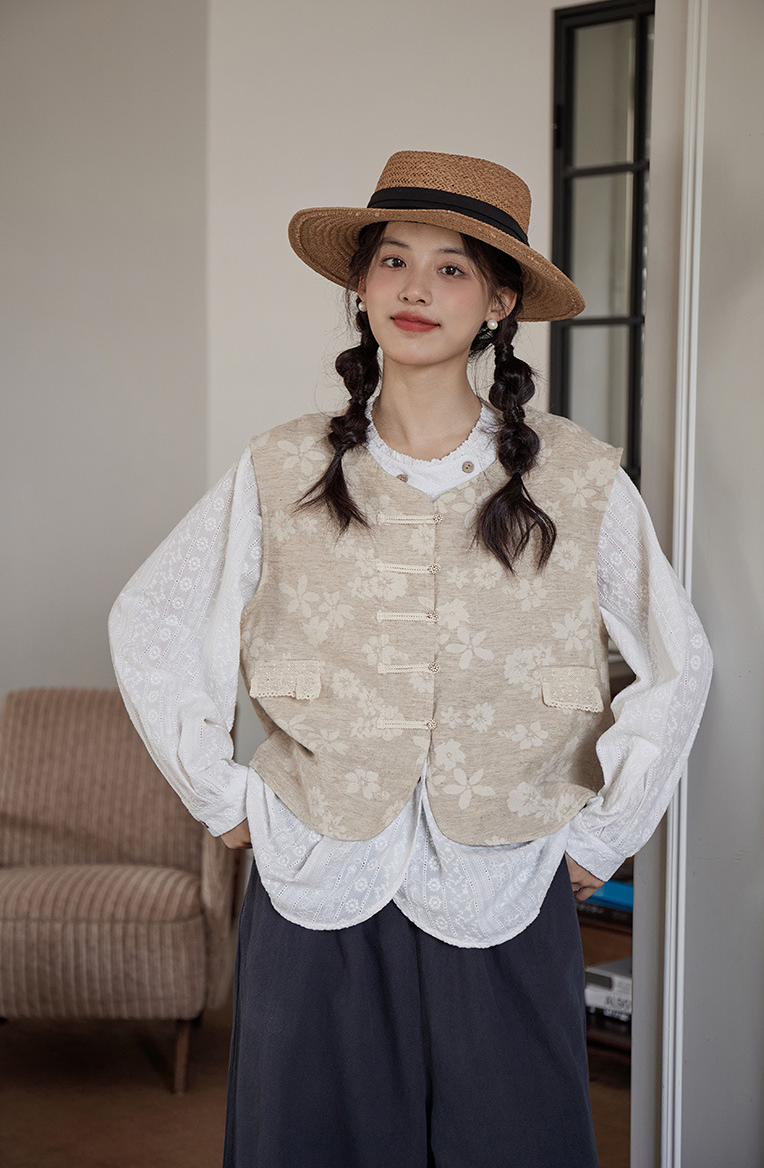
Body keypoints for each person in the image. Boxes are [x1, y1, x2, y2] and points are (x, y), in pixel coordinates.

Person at [109, 150, 713, 1168]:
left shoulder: (577, 477)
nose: (414, 289)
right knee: (308, 1144)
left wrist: (604, 835)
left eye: (451, 268)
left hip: (507, 877)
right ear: (360, 284)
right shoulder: (281, 466)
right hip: (316, 872)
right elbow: (153, 622)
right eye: (392, 260)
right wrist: (224, 796)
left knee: (512, 1144)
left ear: (498, 302)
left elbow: (678, 658)